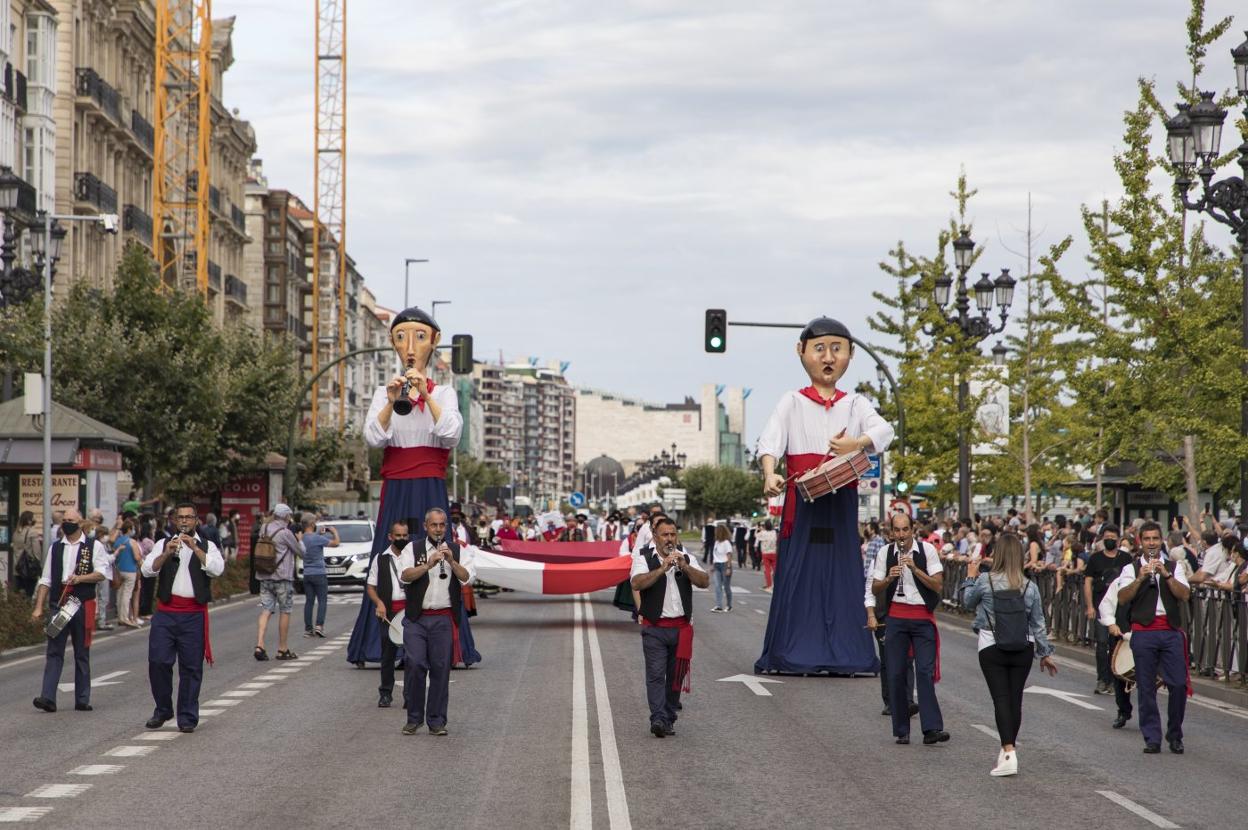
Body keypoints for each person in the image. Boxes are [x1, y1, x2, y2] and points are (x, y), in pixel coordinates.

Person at [755, 316, 894, 675]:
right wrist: (770, 474)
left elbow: (884, 429)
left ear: (849, 355)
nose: (828, 357)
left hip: (841, 501)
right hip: (804, 503)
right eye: (819, 349)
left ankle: (847, 653)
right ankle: (792, 651)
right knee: (800, 576)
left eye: (837, 349)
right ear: (801, 352)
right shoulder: (792, 401)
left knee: (843, 575)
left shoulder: (855, 404)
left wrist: (856, 442)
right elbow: (770, 440)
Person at [348, 306, 468, 667]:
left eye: (419, 336)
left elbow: (451, 434)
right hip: (397, 486)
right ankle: (382, 642)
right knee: (388, 558)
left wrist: (425, 393)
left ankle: (443, 641)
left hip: (430, 486)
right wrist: (391, 400)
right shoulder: (384, 393)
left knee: (435, 553)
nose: (410, 346)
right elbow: (373, 437)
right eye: (401, 337)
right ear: (392, 343)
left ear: (434, 342)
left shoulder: (444, 393)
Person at [961, 533, 1058, 776]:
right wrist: (1044, 653)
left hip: (991, 646)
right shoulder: (1030, 586)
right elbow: (1038, 623)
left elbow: (966, 602)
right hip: (1023, 647)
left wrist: (970, 578)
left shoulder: (985, 580)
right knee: (1015, 700)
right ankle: (1008, 750)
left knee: (1001, 699)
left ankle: (1008, 752)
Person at [141, 503, 225, 733]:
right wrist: (167, 552)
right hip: (166, 612)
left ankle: (187, 716)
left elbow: (217, 570)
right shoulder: (163, 543)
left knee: (190, 667)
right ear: (175, 521)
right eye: (181, 518)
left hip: (193, 614)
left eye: (189, 518)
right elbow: (147, 570)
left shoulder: (208, 545)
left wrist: (196, 549)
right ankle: (163, 709)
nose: (185, 522)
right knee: (158, 661)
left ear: (196, 521)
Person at [398, 509, 477, 736]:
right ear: (425, 526)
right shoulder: (412, 549)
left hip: (443, 617)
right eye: (434, 525)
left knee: (441, 669)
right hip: (416, 618)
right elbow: (404, 576)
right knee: (414, 663)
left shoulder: (457, 550)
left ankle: (436, 720)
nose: (438, 529)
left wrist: (451, 562)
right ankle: (414, 717)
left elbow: (467, 578)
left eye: (442, 525)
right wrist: (427, 565)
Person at [1115, 521, 1192, 754]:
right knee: (1146, 687)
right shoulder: (1130, 568)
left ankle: (1175, 734)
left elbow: (1184, 594)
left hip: (1169, 631)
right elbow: (1122, 598)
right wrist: (1140, 578)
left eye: (1155, 539)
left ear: (1162, 541)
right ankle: (1152, 737)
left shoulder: (1174, 566)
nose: (1151, 543)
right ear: (1140, 541)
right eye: (1147, 539)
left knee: (1178, 683)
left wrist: (1166, 575)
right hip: (1144, 632)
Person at [871, 511, 946, 745]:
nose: (901, 535)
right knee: (895, 673)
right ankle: (902, 729)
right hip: (896, 617)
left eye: (905, 530)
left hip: (922, 617)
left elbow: (937, 585)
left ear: (912, 530)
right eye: (897, 530)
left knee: (924, 671)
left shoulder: (927, 551)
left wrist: (915, 569)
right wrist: (888, 579)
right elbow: (875, 588)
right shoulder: (885, 553)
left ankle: (931, 729)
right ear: (891, 532)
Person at [631, 517, 710, 737]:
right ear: (655, 537)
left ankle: (668, 717)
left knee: (676, 676)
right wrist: (661, 568)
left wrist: (684, 566)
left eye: (673, 534)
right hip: (655, 628)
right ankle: (657, 718)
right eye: (665, 535)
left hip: (681, 629)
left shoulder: (686, 557)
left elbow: (704, 581)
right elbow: (636, 583)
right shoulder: (644, 558)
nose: (669, 539)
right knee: (656, 674)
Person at [30, 509, 110, 713]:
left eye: (71, 520)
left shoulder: (93, 546)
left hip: (81, 602)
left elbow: (102, 573)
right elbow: (46, 579)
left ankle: (82, 698)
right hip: (60, 604)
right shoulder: (55, 548)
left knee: (81, 651)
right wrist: (39, 606)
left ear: (80, 522)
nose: (67, 523)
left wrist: (81, 579)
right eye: (64, 520)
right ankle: (47, 697)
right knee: (54, 650)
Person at [1083, 524, 1132, 702]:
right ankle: (1102, 679)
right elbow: (1087, 582)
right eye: (1106, 537)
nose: (1109, 539)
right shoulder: (1095, 559)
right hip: (1100, 608)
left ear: (1118, 539)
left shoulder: (1126, 558)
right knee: (1102, 643)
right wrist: (1090, 606)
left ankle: (1115, 680)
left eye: (1113, 536)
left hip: (1120, 610)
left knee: (1115, 645)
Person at [366, 521, 411, 709]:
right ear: (390, 537)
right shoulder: (380, 558)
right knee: (388, 654)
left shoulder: (414, 556)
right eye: (398, 536)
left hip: (410, 611)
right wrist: (379, 603)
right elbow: (370, 586)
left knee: (412, 655)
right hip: (389, 612)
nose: (401, 539)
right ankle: (385, 693)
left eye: (404, 536)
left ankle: (410, 695)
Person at [255, 504, 301, 661]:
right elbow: (301, 552)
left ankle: (260, 644)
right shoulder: (286, 533)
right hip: (282, 577)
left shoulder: (264, 528)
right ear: (287, 517)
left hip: (264, 575)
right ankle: (282, 649)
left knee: (266, 609)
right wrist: (299, 540)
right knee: (285, 610)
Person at [299, 518, 339, 638]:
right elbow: (336, 543)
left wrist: (319, 534)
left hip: (307, 574)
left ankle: (308, 629)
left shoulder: (302, 539)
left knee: (309, 602)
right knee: (322, 600)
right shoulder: (317, 539)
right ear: (311, 524)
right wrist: (334, 532)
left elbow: (310, 540)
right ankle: (319, 626)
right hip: (319, 573)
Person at [113, 519, 143, 627]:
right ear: (129, 529)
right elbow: (136, 557)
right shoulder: (132, 541)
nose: (134, 530)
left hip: (119, 570)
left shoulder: (117, 541)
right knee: (127, 594)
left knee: (120, 594)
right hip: (130, 571)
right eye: (133, 528)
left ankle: (120, 617)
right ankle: (125, 617)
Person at [13, 511, 42, 599]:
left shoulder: (16, 532)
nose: (35, 520)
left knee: (20, 593)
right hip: (29, 568)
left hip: (17, 567)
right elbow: (36, 551)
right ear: (29, 520)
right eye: (33, 518)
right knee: (29, 593)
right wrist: (38, 564)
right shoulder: (32, 532)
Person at [710, 524, 734, 612]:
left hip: (725, 565)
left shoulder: (726, 543)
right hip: (717, 565)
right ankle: (719, 605)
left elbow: (729, 555)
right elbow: (715, 554)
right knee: (717, 586)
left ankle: (729, 605)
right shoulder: (716, 542)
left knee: (726, 586)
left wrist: (728, 568)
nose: (715, 532)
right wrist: (713, 565)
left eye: (716, 531)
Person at [756, 520, 778, 590]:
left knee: (767, 569)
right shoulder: (774, 532)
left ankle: (769, 584)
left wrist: (758, 529)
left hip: (765, 553)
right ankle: (776, 583)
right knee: (775, 569)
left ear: (765, 526)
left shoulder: (763, 533)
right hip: (773, 552)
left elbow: (756, 536)